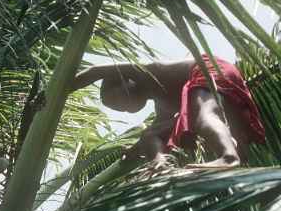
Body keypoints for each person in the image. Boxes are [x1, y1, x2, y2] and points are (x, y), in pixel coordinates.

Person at [70, 56, 265, 169]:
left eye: (117, 100)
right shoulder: (161, 106)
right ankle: (160, 167)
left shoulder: (147, 73)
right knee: (150, 135)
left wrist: (58, 92)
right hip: (213, 92)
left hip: (209, 69)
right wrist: (135, 151)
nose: (124, 109)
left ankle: (228, 156)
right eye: (117, 109)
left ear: (125, 80)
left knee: (202, 117)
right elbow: (154, 135)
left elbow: (94, 71)